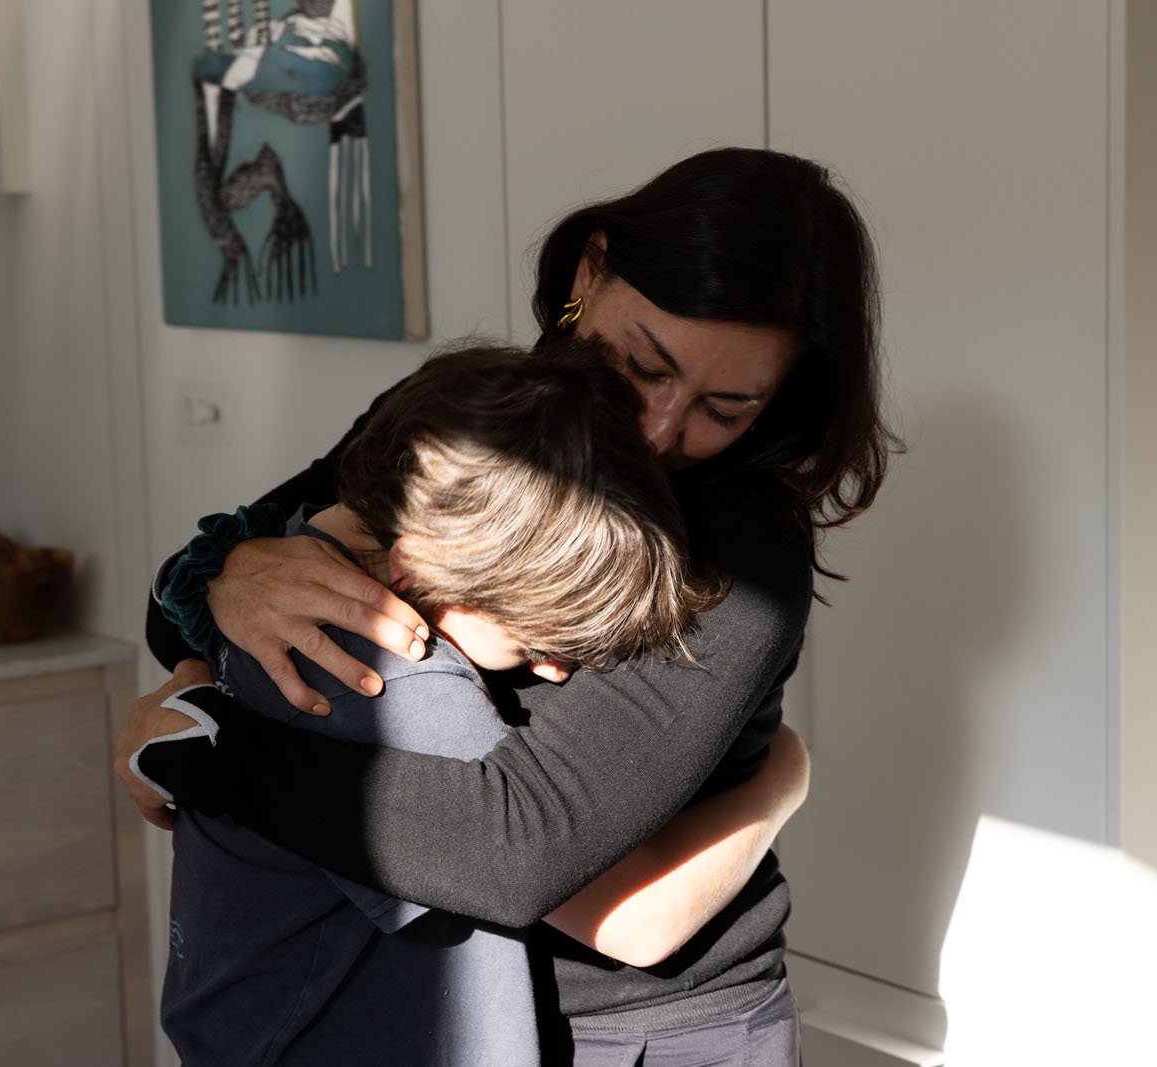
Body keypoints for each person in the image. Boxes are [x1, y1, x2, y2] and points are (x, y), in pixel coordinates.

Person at [117, 146, 897, 1065]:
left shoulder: (744, 546)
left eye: (723, 409)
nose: (659, 430)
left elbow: (517, 853)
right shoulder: (481, 417)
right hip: (428, 992)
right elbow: (187, 599)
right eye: (642, 363)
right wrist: (230, 579)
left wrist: (205, 746)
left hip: (647, 1031)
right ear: (590, 271)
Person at [145, 339, 726, 1065]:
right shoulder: (402, 692)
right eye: (534, 642)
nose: (555, 673)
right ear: (416, 571)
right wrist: (787, 771)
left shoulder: (271, 577)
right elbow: (620, 912)